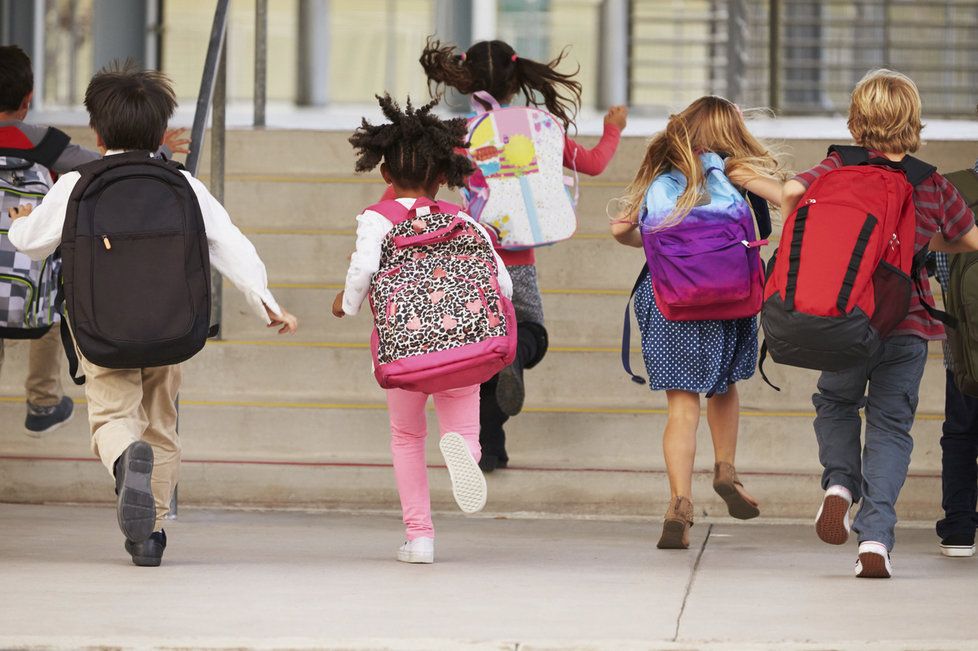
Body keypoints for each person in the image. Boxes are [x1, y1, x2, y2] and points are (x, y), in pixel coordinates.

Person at [7, 63, 296, 567]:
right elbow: (230, 243)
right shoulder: (183, 183)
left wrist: (19, 224)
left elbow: (32, 246)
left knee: (114, 417)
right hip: (169, 327)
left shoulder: (77, 182)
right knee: (161, 423)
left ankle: (124, 458)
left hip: (101, 329)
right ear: (163, 133)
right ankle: (150, 534)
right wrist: (265, 300)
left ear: (97, 133)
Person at [783, 69, 978, 578]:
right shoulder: (930, 182)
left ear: (856, 119)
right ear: (913, 121)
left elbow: (788, 192)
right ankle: (875, 541)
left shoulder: (834, 167)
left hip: (846, 320)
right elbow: (969, 239)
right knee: (891, 429)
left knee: (835, 402)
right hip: (907, 325)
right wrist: (928, 244)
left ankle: (840, 485)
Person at [419, 38, 627, 472]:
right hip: (520, 261)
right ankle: (519, 352)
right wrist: (614, 130)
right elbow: (593, 164)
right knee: (530, 332)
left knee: (480, 353)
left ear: (465, 79)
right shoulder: (540, 125)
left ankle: (489, 449)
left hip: (471, 259)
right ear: (517, 80)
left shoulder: (458, 135)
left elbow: (422, 184)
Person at [332, 94, 513, 564]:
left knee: (407, 437)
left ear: (385, 175)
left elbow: (364, 267)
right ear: (441, 176)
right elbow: (504, 284)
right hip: (464, 348)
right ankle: (466, 454)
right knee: (462, 427)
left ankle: (420, 538)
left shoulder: (378, 217)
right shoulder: (463, 219)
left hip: (406, 350)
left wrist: (347, 305)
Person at [610, 96, 784, 549]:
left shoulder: (661, 173)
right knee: (724, 387)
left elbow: (621, 231)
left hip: (671, 300)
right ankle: (726, 469)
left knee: (681, 407)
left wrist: (653, 241)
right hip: (730, 296)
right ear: (730, 133)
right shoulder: (736, 172)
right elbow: (788, 198)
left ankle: (679, 504)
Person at [0, 45, 188, 435]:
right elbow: (111, 166)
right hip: (31, 275)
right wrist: (162, 151)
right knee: (53, 295)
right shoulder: (44, 142)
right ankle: (42, 401)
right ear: (28, 98)